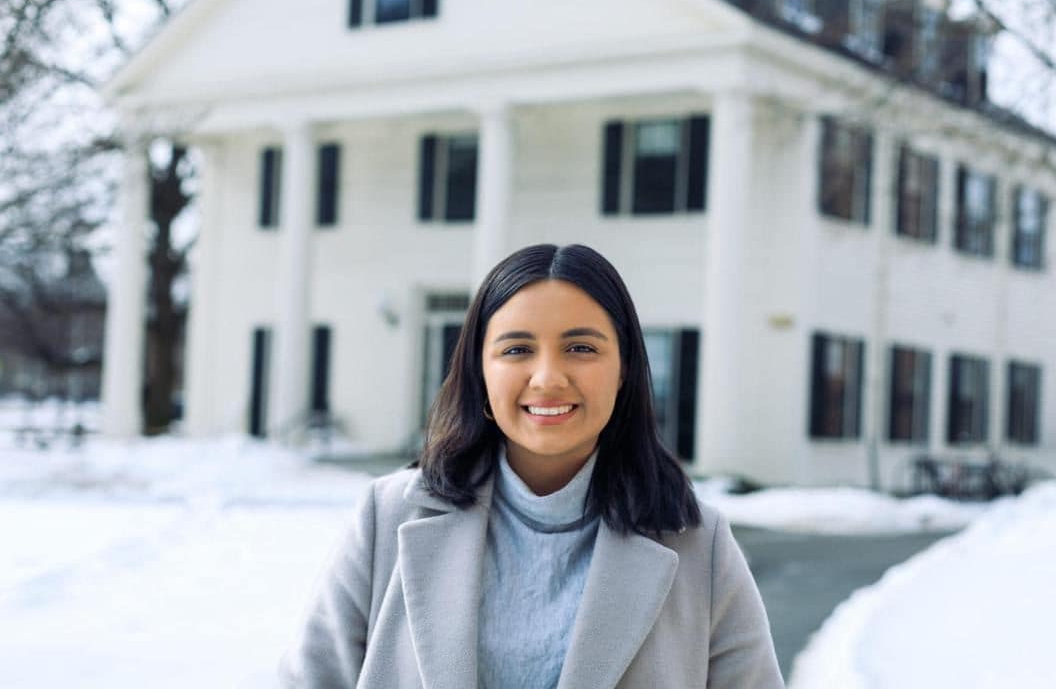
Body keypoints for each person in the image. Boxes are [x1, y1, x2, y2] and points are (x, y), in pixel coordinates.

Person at [280, 244, 785, 688]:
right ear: (481, 368)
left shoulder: (699, 543)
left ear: (625, 367)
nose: (547, 378)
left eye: (581, 348)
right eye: (517, 349)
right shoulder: (387, 517)